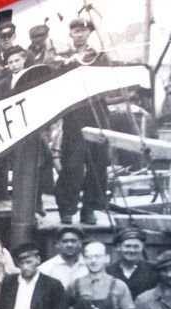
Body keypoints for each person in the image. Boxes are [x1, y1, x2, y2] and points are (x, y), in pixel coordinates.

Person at [55, 16, 110, 225]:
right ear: (71, 34)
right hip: (75, 116)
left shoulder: (99, 57)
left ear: (89, 33)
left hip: (97, 114)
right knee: (72, 164)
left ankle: (89, 209)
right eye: (76, 31)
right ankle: (67, 208)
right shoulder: (65, 59)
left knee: (99, 164)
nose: (79, 35)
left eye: (83, 31)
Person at [107, 228, 159, 300]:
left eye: (136, 246)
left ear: (142, 247)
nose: (132, 250)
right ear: (118, 247)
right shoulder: (109, 271)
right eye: (127, 246)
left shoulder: (153, 270)